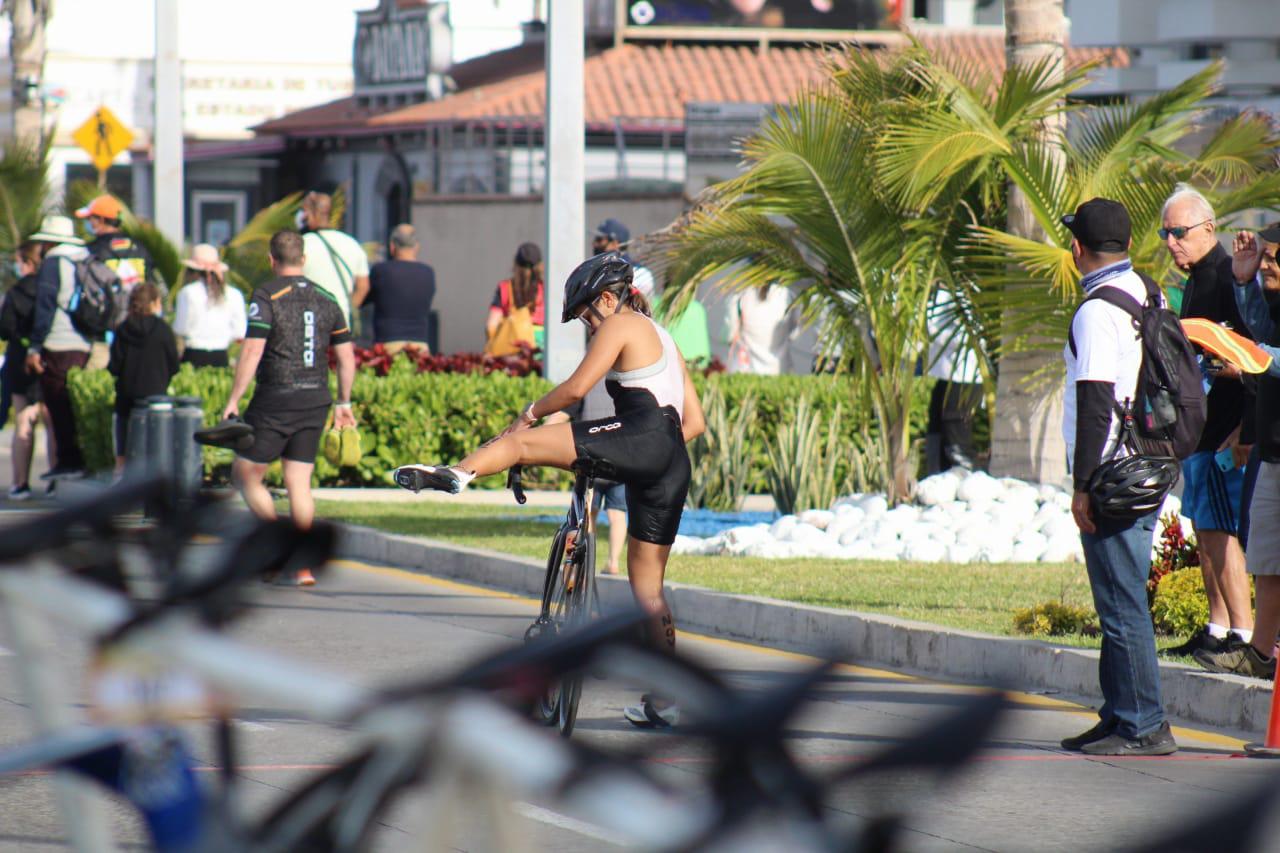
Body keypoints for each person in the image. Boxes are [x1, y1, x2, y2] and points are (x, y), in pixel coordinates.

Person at [394, 252, 706, 728]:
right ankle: (667, 702)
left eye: (587, 315)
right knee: (649, 591)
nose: (588, 324)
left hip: (642, 437)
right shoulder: (664, 337)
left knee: (521, 441)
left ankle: (458, 473)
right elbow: (695, 422)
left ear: (608, 298)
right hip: (672, 460)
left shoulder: (621, 323)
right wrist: (646, 455)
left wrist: (530, 412)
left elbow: (577, 389)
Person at [1058, 197, 1176, 756]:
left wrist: (1083, 484)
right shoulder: (1148, 291)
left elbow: (1096, 403)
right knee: (1119, 599)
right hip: (1148, 462)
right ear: (1127, 243)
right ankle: (1118, 712)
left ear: (1076, 247)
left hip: (1112, 474)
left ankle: (1144, 724)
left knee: (1121, 602)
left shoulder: (1095, 311)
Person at [222, 231, 356, 587]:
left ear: (272, 260)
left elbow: (252, 350)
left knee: (245, 474)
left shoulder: (267, 295)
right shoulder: (327, 297)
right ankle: (303, 566)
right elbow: (346, 357)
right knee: (299, 482)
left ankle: (279, 545)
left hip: (276, 398)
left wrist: (234, 399)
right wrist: (344, 402)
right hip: (316, 398)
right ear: (304, 259)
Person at [1159, 184, 1256, 658]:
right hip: (1199, 429)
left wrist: (1243, 432)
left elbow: (1254, 357)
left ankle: (1243, 633)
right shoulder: (1196, 278)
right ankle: (1217, 627)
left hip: (1224, 431)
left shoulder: (1227, 277)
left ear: (1208, 228)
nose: (1171, 242)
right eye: (1165, 234)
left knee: (1222, 531)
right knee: (1205, 528)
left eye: (1179, 232)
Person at [1193, 224, 1280, 679]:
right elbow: (1264, 330)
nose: (1267, 264)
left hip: (1265, 446)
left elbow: (1264, 350)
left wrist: (1248, 352)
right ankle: (1261, 654)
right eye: (1265, 256)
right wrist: (1244, 283)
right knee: (1266, 558)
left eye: (1274, 258)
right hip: (1272, 449)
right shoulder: (1269, 295)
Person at [26, 215, 92, 481]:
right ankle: (84, 458)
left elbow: (45, 308)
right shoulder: (85, 258)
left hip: (60, 342)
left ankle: (70, 461)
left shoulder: (54, 262)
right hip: (86, 341)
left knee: (59, 402)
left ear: (48, 243)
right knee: (79, 404)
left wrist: (35, 347)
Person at [76, 194, 160, 370]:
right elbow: (152, 284)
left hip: (103, 333)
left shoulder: (91, 251)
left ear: (100, 220)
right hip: (137, 327)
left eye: (90, 218)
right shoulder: (140, 248)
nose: (88, 223)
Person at [1, 242, 55, 499]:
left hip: (19, 359)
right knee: (52, 420)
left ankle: (20, 482)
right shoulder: (51, 289)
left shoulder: (17, 292)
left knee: (23, 419)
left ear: (28, 263)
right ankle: (55, 478)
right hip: (49, 357)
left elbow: (5, 328)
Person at [108, 283, 179, 472]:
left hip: (127, 395)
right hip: (156, 394)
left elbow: (114, 366)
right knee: (157, 442)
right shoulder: (163, 330)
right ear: (154, 303)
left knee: (124, 434)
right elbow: (174, 364)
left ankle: (121, 469)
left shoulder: (123, 329)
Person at [925, 288, 982, 473]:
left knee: (956, 440)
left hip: (963, 377)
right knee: (936, 431)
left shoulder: (963, 292)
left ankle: (962, 476)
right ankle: (936, 474)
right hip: (945, 376)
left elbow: (968, 335)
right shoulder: (938, 293)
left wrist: (930, 330)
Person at [299, 191, 370, 327]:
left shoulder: (302, 244)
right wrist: (347, 310)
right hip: (341, 323)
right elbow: (363, 286)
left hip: (310, 324)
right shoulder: (352, 244)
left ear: (310, 214)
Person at [172, 244, 246, 367]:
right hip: (221, 355)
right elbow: (240, 332)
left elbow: (181, 328)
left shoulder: (187, 292)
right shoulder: (234, 294)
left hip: (193, 354)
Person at [367, 224, 436, 355]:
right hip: (420, 346)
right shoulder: (428, 273)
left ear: (392, 246)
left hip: (386, 347)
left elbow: (363, 298)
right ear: (417, 246)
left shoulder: (380, 271)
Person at [722, 283, 796, 374]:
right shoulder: (788, 296)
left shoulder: (741, 296)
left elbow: (729, 335)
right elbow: (795, 333)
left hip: (744, 370)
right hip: (779, 370)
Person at [485, 242, 544, 351]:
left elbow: (491, 326)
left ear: (515, 264)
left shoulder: (504, 288)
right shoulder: (547, 290)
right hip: (540, 351)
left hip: (512, 351)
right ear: (540, 266)